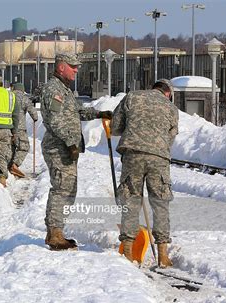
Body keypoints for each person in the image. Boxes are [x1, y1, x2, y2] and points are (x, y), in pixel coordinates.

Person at [40, 53, 112, 251]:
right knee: (63, 189)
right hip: (59, 147)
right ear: (61, 67)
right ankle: (55, 234)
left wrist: (98, 113)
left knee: (68, 189)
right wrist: (71, 143)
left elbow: (77, 112)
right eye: (72, 66)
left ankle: (55, 231)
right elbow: (55, 120)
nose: (76, 70)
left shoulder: (64, 90)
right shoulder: (53, 89)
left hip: (65, 147)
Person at [111, 79, 178, 267]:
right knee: (160, 203)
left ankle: (128, 251)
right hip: (159, 158)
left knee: (130, 200)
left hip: (133, 155)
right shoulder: (171, 107)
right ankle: (163, 256)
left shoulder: (132, 97)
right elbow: (171, 137)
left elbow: (116, 128)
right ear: (167, 93)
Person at [8, 82, 38, 178]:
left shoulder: (8, 96)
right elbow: (33, 112)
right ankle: (15, 165)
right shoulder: (24, 98)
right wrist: (35, 117)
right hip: (20, 128)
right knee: (24, 147)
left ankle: (9, 166)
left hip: (7, 126)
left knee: (11, 148)